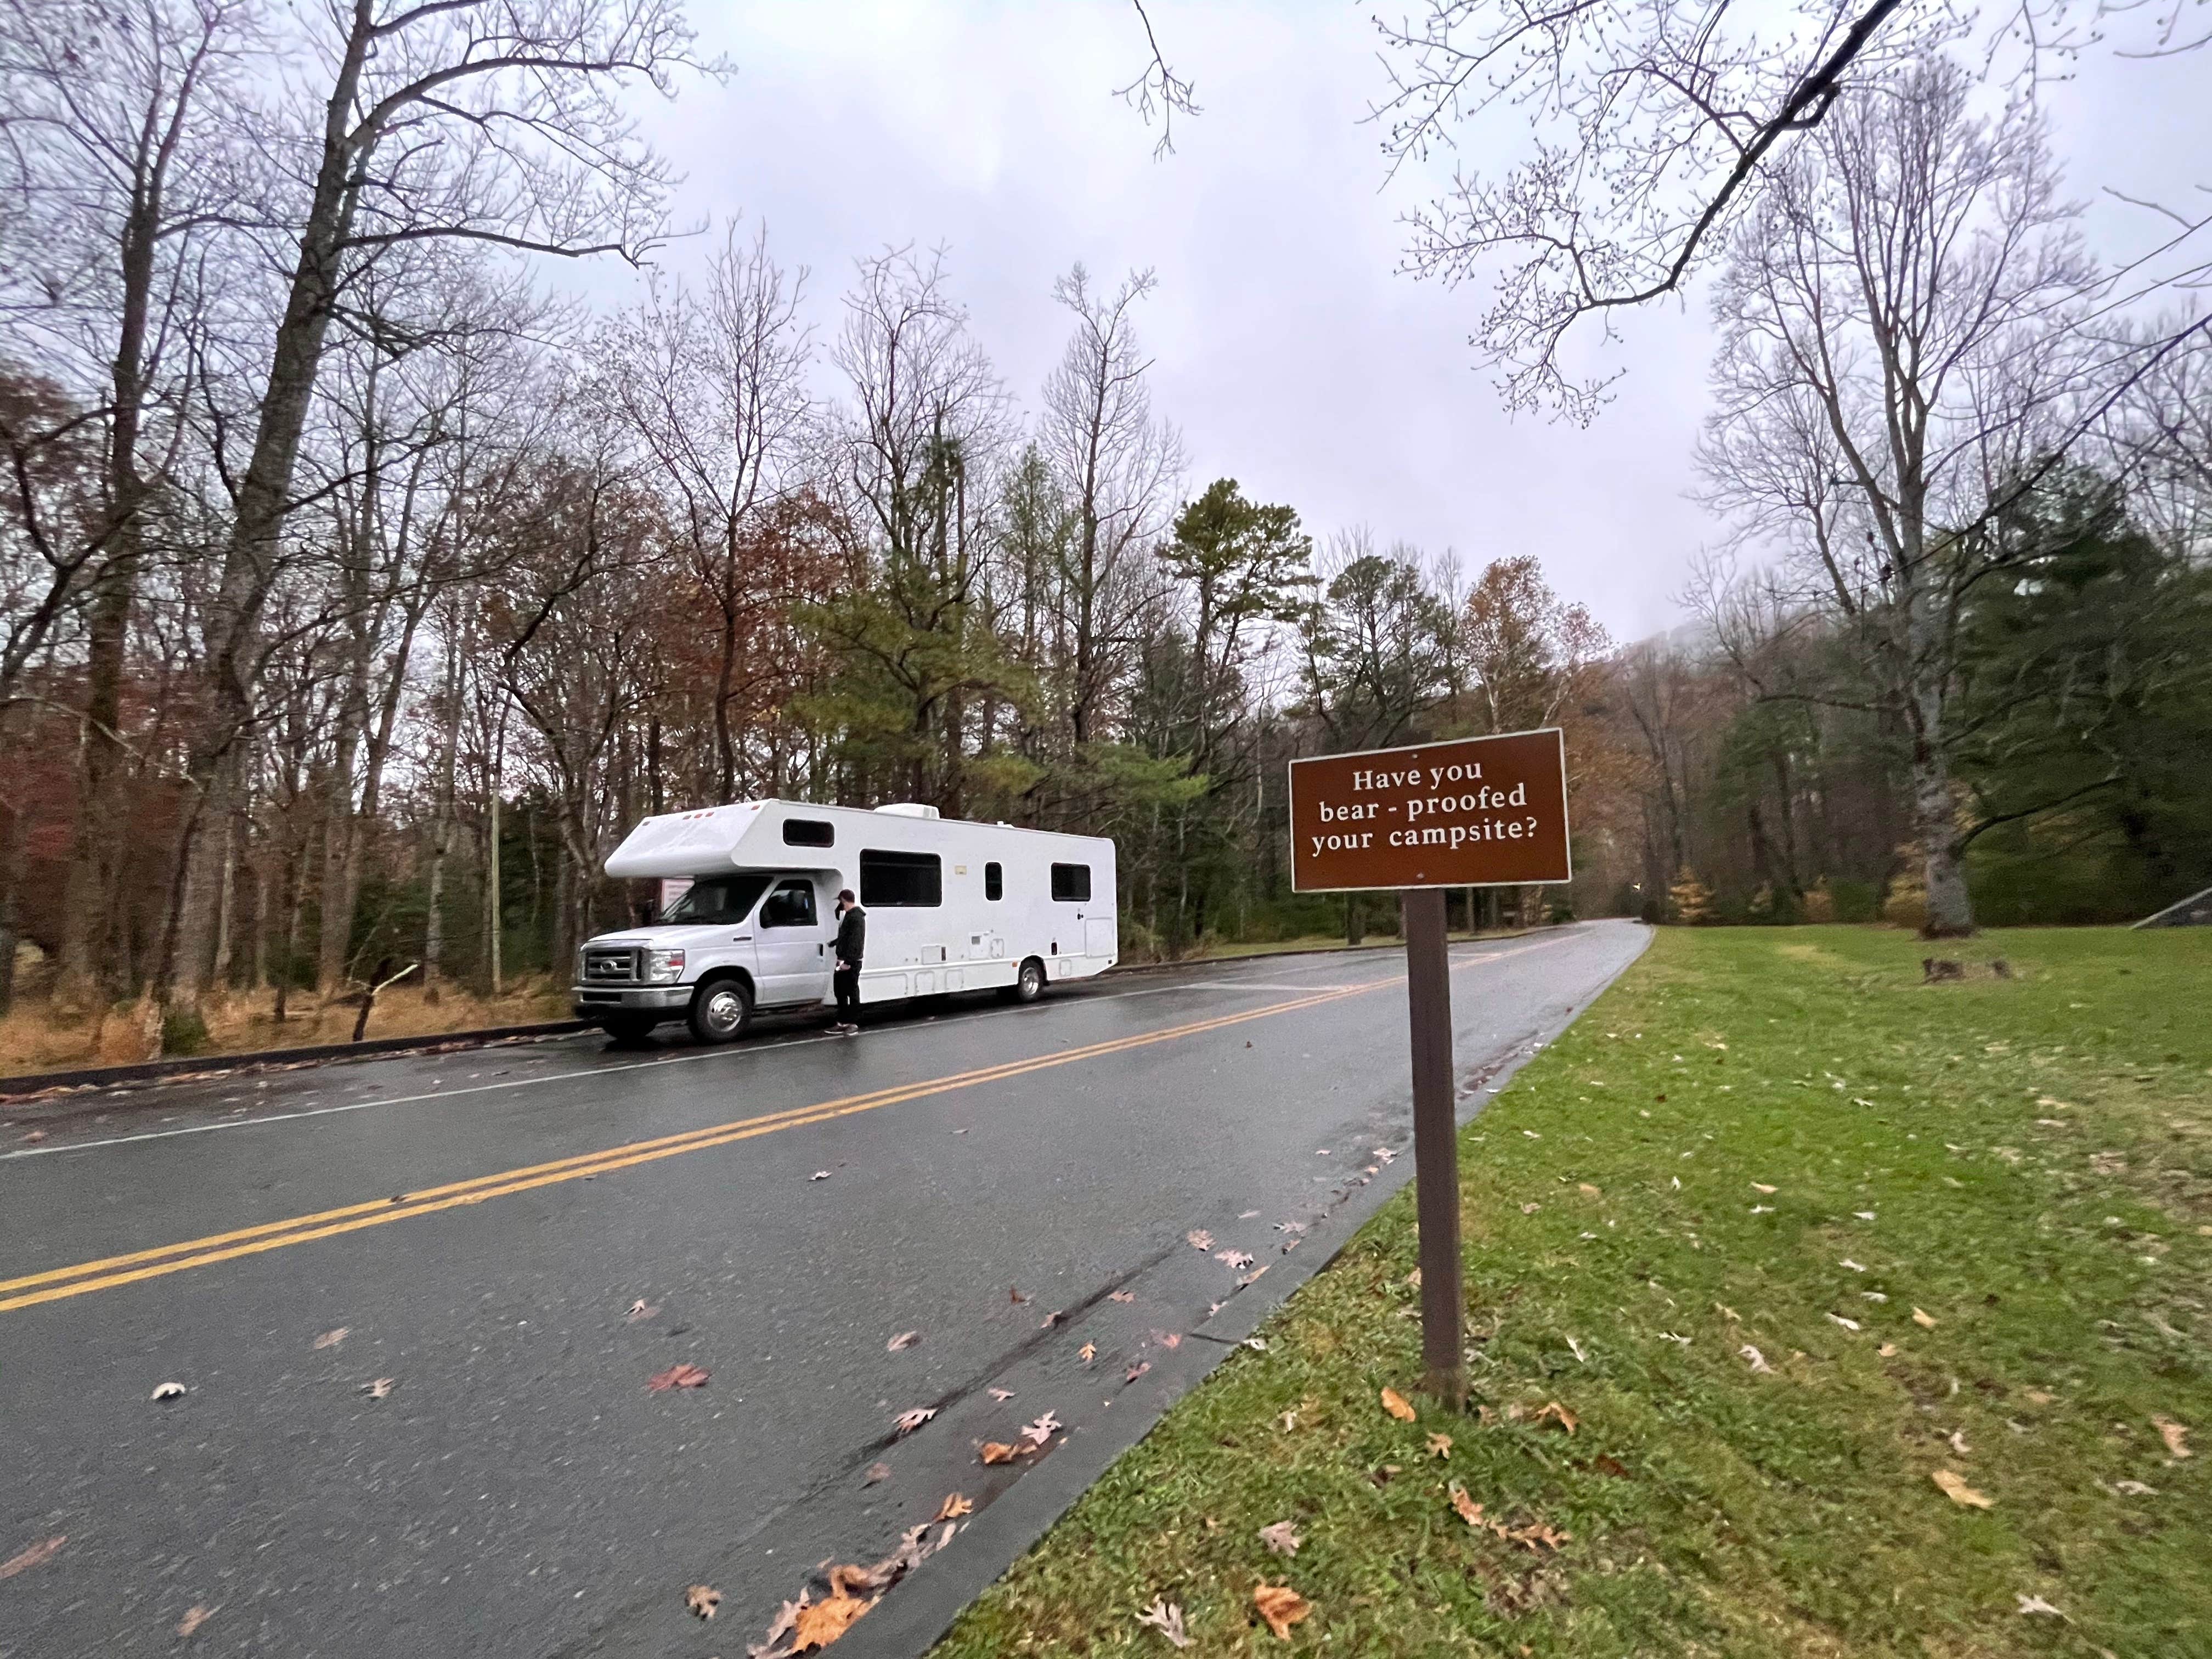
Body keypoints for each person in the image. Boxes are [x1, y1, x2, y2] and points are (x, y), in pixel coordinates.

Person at [831, 889, 866, 1034]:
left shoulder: (856, 917)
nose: (840, 904)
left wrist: (849, 963)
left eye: (841, 901)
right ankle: (842, 1022)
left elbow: (856, 942)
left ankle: (853, 1023)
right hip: (842, 960)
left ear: (844, 900)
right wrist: (835, 942)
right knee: (840, 990)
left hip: (850, 961)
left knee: (852, 990)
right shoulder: (848, 916)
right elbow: (847, 936)